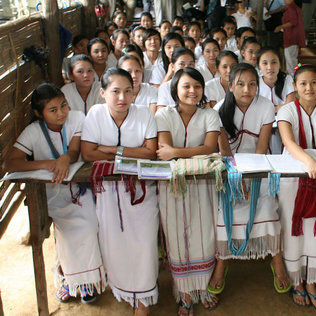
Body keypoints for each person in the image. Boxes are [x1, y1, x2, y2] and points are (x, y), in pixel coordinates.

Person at [5, 83, 105, 304]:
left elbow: (75, 150)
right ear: (39, 114)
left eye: (63, 105)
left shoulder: (77, 117)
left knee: (90, 225)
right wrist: (48, 163)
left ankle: (87, 282)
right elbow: (11, 163)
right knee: (66, 233)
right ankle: (67, 279)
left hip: (81, 190)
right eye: (53, 110)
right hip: (52, 194)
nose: (61, 113)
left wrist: (65, 158)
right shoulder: (32, 132)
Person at [208, 63, 291, 297]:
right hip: (229, 171)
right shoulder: (219, 109)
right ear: (231, 85)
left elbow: (261, 149)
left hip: (259, 169)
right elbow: (225, 153)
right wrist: (237, 180)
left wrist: (249, 179)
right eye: (241, 84)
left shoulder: (265, 106)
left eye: (252, 84)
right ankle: (221, 264)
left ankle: (277, 263)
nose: (247, 89)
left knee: (267, 208)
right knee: (223, 210)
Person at [81, 68, 159, 316]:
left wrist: (110, 149)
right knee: (114, 243)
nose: (122, 97)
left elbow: (150, 152)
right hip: (108, 193)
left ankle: (144, 299)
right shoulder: (95, 114)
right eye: (115, 91)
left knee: (145, 243)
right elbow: (87, 153)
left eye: (128, 91)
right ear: (103, 92)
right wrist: (123, 151)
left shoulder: (144, 114)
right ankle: (127, 291)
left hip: (141, 192)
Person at [155, 67, 221, 316]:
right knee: (176, 237)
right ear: (175, 89)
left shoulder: (210, 115)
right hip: (171, 186)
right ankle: (184, 292)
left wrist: (177, 154)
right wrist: (190, 153)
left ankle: (202, 288)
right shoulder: (164, 116)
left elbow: (210, 146)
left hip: (202, 185)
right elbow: (163, 150)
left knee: (204, 234)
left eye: (197, 86)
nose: (192, 91)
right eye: (186, 86)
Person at [278, 64, 316, 310]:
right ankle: (296, 281)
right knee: (293, 230)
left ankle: (312, 282)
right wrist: (309, 162)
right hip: (294, 178)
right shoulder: (286, 111)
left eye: (314, 82)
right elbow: (288, 142)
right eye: (303, 83)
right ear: (295, 86)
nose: (309, 87)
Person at [275, 0, 305, 76]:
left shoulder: (292, 8)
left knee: (290, 60)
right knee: (293, 59)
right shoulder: (293, 7)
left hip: (291, 37)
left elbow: (292, 22)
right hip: (293, 37)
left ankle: (293, 76)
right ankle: (296, 74)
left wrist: (280, 27)